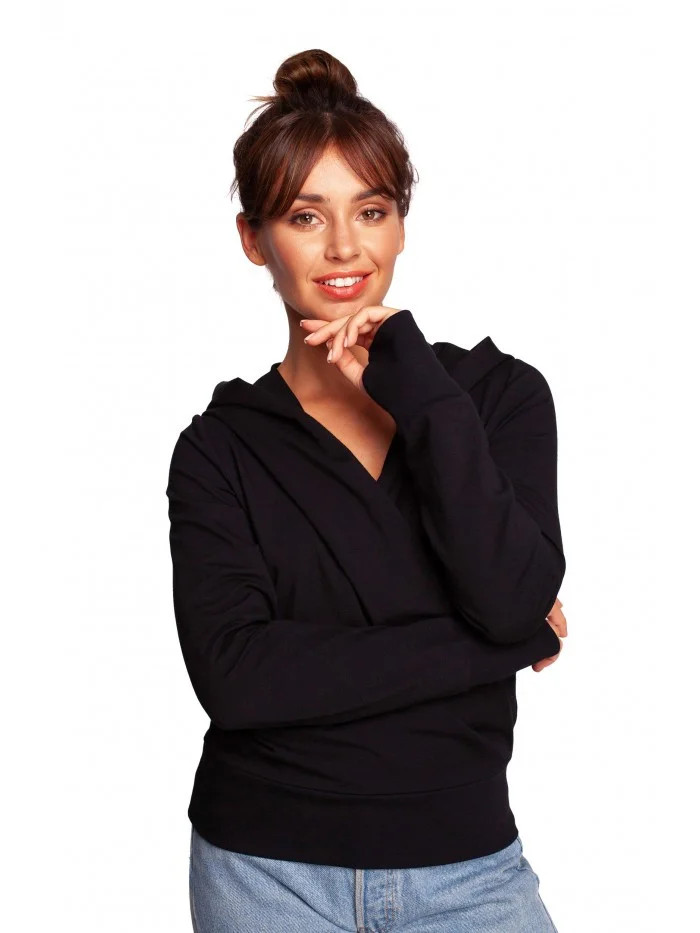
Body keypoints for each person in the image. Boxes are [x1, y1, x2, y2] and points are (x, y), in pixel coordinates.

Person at [167, 47, 568, 933]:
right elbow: (240, 680)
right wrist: (501, 641)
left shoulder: (496, 399)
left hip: (469, 870)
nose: (345, 247)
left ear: (400, 226)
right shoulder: (219, 449)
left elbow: (507, 593)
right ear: (254, 240)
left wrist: (419, 389)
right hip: (263, 870)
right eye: (306, 215)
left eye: (371, 210)